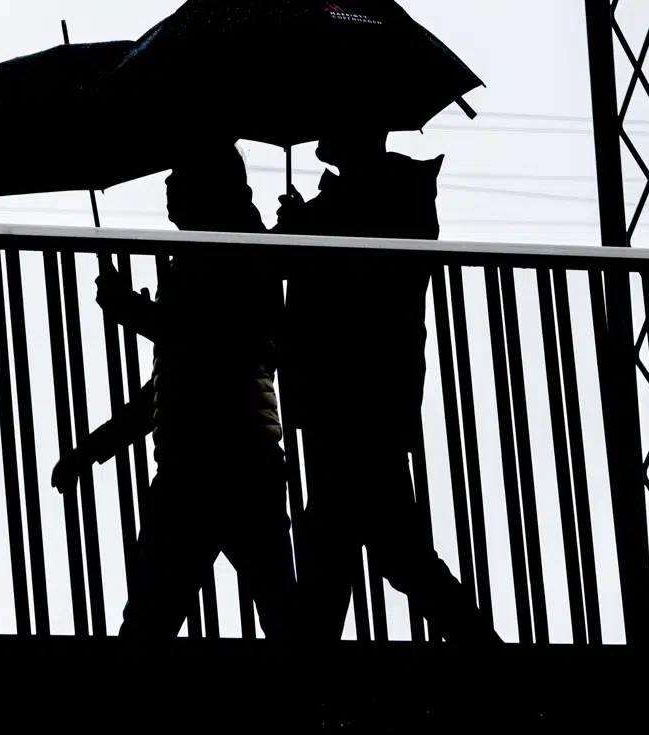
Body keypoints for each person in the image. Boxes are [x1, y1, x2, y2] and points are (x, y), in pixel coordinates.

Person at [53, 142, 296, 638]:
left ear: (208, 188)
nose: (168, 187)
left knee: (150, 620)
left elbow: (209, 342)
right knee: (277, 614)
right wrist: (95, 447)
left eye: (179, 176)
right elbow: (179, 371)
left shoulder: (233, 251)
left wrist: (135, 313)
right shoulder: (231, 252)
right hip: (238, 459)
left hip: (207, 463)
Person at [275, 130, 501, 644]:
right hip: (361, 397)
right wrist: (302, 228)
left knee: (365, 544)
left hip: (355, 396)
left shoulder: (377, 197)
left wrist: (302, 230)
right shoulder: (381, 194)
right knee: (369, 542)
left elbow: (351, 282)